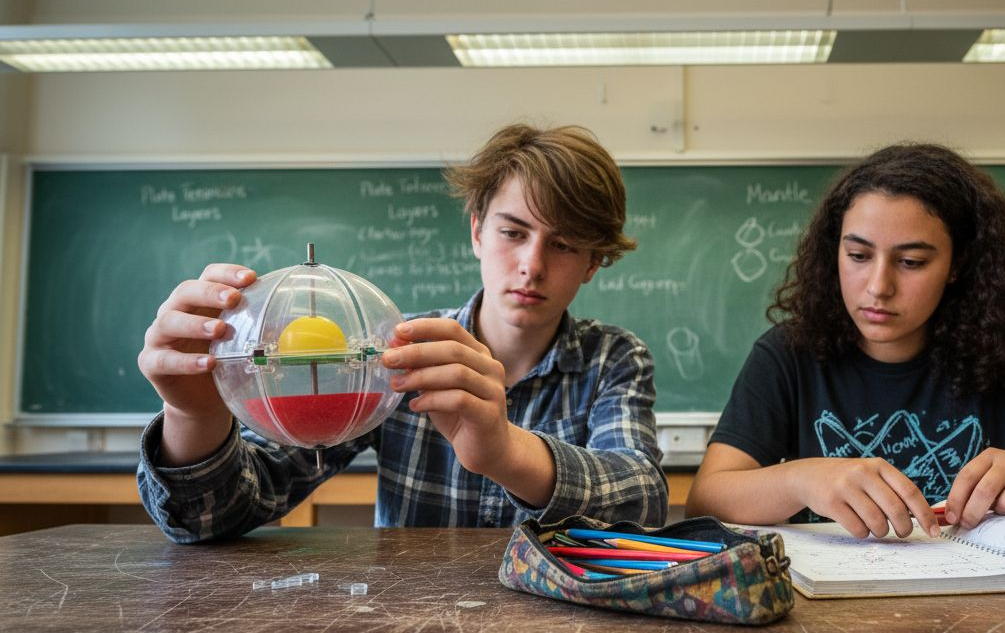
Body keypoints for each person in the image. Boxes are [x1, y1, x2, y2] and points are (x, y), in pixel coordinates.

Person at [137, 124, 668, 541]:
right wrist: (196, 416)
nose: (531, 265)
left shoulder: (613, 359)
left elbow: (643, 502)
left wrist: (505, 453)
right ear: (478, 230)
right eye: (513, 232)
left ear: (594, 263)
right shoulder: (396, 352)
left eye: (565, 245)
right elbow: (214, 516)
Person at [685, 142, 1005, 539]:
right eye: (858, 255)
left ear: (958, 265)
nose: (878, 285)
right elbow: (707, 499)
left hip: (981, 619)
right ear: (832, 250)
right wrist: (800, 478)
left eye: (911, 262)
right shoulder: (787, 354)